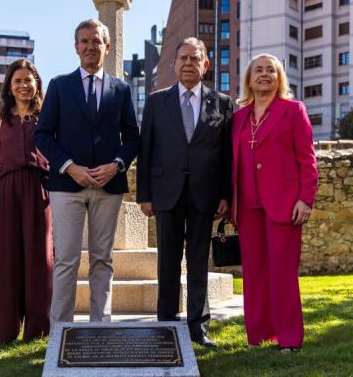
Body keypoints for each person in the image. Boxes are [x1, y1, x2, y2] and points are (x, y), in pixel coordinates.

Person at [35, 19, 140, 323]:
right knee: (66, 259)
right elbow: (43, 135)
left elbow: (132, 137)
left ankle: (100, 325)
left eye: (96, 41)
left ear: (107, 47)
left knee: (102, 260)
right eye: (84, 41)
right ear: (76, 47)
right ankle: (61, 330)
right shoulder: (58, 85)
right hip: (66, 186)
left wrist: (117, 165)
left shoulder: (121, 89)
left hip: (108, 186)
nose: (90, 46)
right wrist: (70, 167)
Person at [136, 37, 233, 347]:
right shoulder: (156, 101)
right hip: (166, 193)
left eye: (195, 58)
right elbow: (146, 149)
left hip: (205, 194)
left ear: (205, 65)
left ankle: (197, 327)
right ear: (173, 65)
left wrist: (225, 195)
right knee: (167, 261)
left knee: (197, 262)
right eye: (183, 59)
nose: (189, 63)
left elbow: (227, 155)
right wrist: (144, 195)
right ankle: (166, 323)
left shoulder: (222, 103)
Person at [232, 53, 318, 353]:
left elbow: (307, 159)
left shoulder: (293, 110)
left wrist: (306, 199)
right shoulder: (239, 116)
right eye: (259, 70)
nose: (265, 75)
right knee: (254, 272)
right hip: (246, 205)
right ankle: (259, 335)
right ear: (249, 79)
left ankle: (290, 338)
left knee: (282, 272)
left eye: (271, 70)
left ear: (279, 78)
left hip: (284, 203)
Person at [0, 59, 53, 343]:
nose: (23, 86)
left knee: (40, 258)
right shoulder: (0, 120)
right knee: (8, 258)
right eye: (17, 81)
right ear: (9, 86)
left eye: (28, 80)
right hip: (7, 190)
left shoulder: (47, 116)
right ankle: (8, 328)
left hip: (39, 189)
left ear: (36, 84)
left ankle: (38, 328)